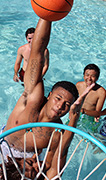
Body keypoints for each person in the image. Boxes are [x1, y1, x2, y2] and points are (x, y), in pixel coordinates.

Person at [0, 18, 95, 179]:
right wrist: (47, 16)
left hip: (25, 166)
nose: (60, 106)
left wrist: (74, 118)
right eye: (58, 98)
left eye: (66, 105)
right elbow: (37, 52)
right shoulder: (32, 99)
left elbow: (55, 165)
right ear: (49, 94)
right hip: (4, 146)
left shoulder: (56, 132)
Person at [76, 64, 106, 133]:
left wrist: (83, 111)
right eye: (87, 75)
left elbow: (97, 113)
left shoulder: (101, 92)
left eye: (93, 76)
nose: (89, 78)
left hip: (90, 118)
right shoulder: (78, 85)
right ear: (83, 75)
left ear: (97, 78)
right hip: (77, 113)